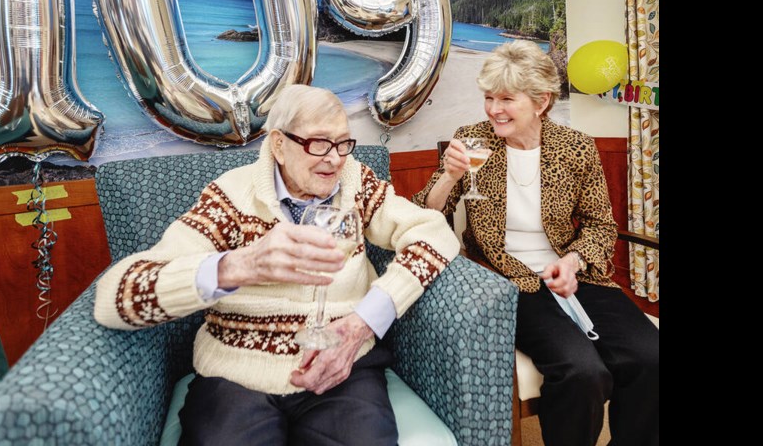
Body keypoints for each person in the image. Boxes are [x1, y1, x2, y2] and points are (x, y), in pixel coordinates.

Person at [95, 85, 459, 445]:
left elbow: (434, 232)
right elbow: (117, 297)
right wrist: (240, 266)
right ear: (279, 145)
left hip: (342, 369)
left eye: (343, 143)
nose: (334, 159)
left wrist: (363, 323)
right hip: (236, 378)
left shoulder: (356, 184)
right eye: (318, 143)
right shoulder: (232, 198)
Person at [413, 41, 658, 446]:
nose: (493, 109)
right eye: (489, 98)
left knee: (651, 357)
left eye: (507, 99)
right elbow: (425, 215)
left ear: (541, 102)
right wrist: (449, 177)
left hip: (574, 275)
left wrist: (575, 262)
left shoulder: (575, 147)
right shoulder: (472, 140)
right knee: (583, 372)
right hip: (506, 280)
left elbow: (600, 225)